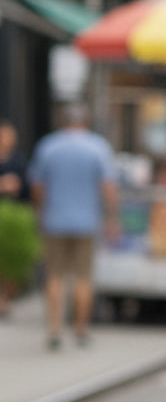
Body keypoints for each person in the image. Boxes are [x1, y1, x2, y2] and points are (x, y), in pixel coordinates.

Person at [28, 104, 118, 350]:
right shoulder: (97, 147)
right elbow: (108, 187)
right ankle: (80, 329)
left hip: (54, 220)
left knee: (54, 275)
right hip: (87, 221)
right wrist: (112, 217)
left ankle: (54, 328)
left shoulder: (48, 146)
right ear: (86, 122)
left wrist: (41, 211)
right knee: (83, 277)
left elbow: (37, 186)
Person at [0, 119, 29, 317]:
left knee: (11, 260)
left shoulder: (18, 160)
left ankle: (6, 298)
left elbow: (27, 187)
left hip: (14, 216)